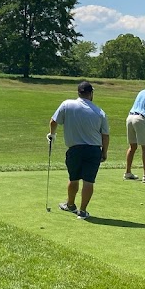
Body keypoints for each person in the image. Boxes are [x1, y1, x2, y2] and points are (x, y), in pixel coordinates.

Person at [48, 81, 110, 220]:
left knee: (73, 178)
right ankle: (82, 211)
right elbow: (105, 135)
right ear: (91, 93)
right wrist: (104, 152)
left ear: (78, 92)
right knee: (88, 181)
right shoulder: (99, 112)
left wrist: (52, 135)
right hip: (94, 150)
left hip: (74, 149)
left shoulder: (67, 104)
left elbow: (53, 122)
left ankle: (70, 204)